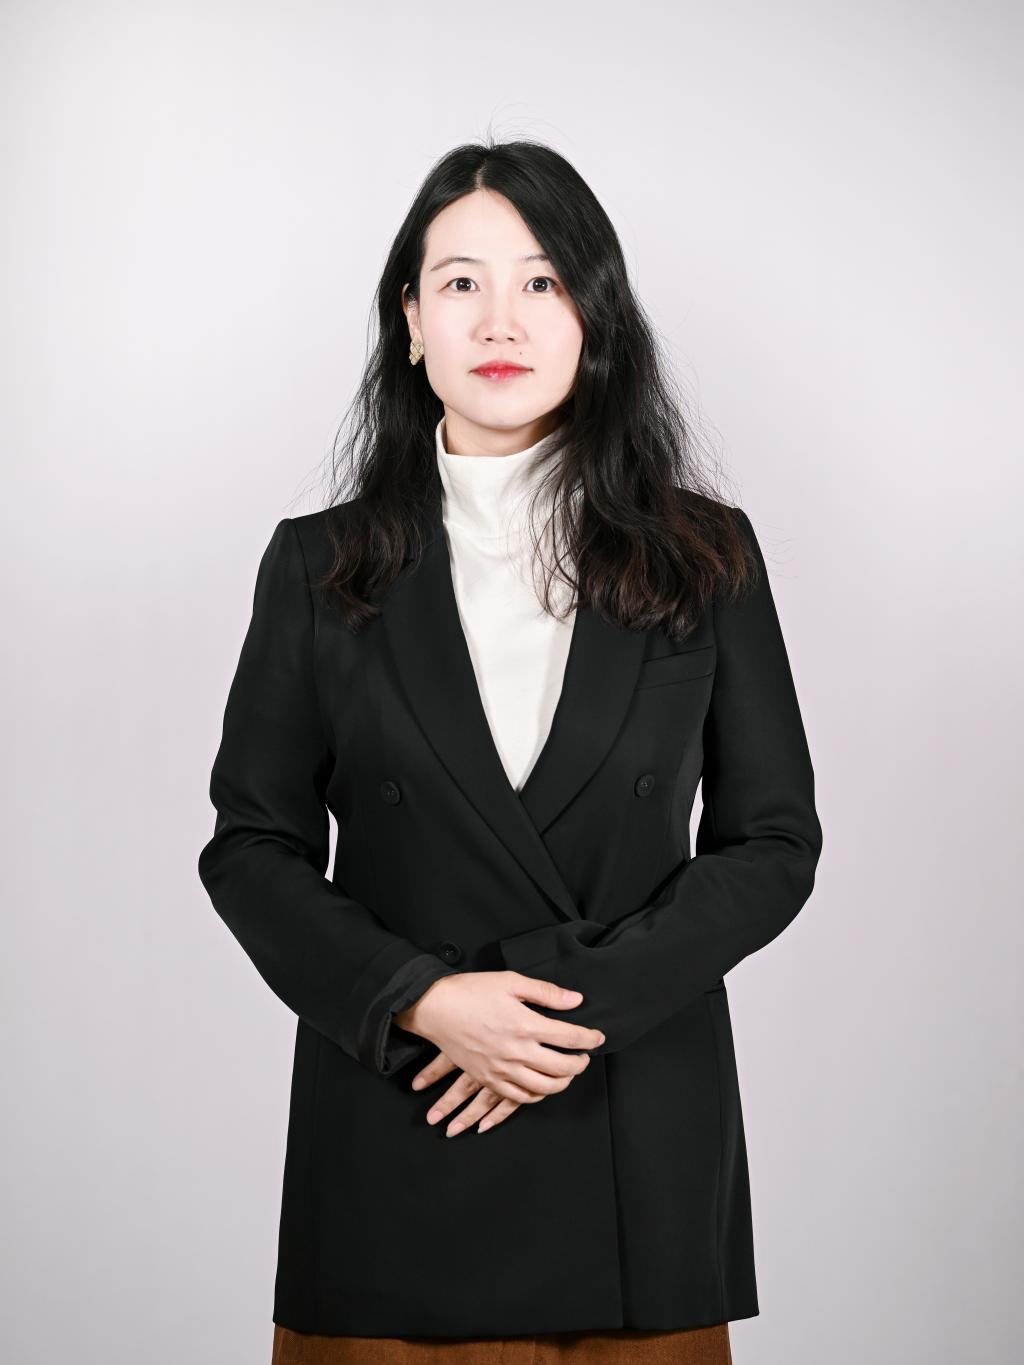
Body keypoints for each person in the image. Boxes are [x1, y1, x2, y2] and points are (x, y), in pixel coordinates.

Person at [198, 139, 823, 1364]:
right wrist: (422, 1000)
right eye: (461, 283)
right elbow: (251, 848)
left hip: (633, 1141)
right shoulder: (318, 566)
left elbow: (773, 844)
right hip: (398, 1136)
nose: (501, 319)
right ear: (410, 320)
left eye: (541, 281)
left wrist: (552, 1012)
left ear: (595, 314)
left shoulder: (705, 556)